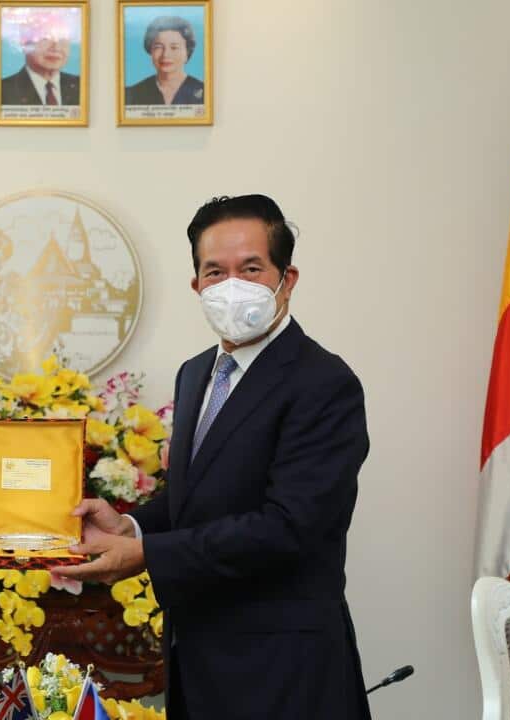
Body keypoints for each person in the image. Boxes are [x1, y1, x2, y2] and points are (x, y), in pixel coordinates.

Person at [56, 194, 372, 719]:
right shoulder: (197, 371)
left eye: (251, 269)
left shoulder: (324, 383)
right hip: (199, 660)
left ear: (286, 279)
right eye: (215, 272)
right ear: (196, 285)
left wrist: (149, 556)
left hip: (284, 670)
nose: (232, 287)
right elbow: (199, 495)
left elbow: (290, 526)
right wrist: (130, 528)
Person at [0, 11, 80, 106]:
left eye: (62, 39)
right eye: (45, 38)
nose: (56, 48)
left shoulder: (82, 86)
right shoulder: (2, 90)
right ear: (24, 43)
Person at [123, 16, 205, 106]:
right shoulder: (131, 94)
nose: (165, 54)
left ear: (187, 52)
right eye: (158, 47)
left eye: (174, 47)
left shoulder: (205, 92)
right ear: (150, 50)